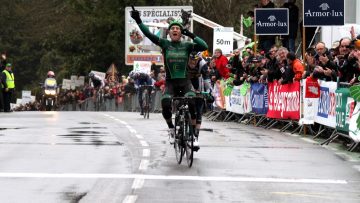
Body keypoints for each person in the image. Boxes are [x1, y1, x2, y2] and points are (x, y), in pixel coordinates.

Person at [131, 7, 208, 150]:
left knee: (191, 102)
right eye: (172, 29)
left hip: (185, 82)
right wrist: (138, 20)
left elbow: (204, 46)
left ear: (180, 33)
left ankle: (192, 136)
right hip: (171, 83)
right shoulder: (165, 44)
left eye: (178, 29)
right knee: (165, 102)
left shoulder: (187, 45)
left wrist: (189, 33)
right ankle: (171, 129)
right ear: (170, 32)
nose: (175, 30)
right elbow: (148, 34)